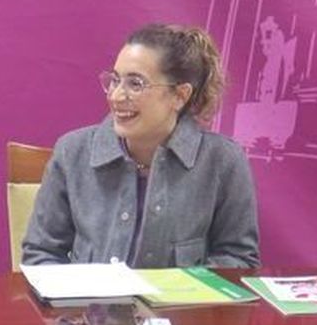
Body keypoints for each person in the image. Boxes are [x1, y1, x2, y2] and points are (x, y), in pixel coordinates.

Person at [22, 23, 260, 269]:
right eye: (115, 80)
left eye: (135, 84)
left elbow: (238, 261)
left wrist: (174, 293)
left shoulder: (223, 161)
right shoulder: (72, 152)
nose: (115, 96)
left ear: (180, 95)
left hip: (182, 308)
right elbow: (41, 255)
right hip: (86, 308)